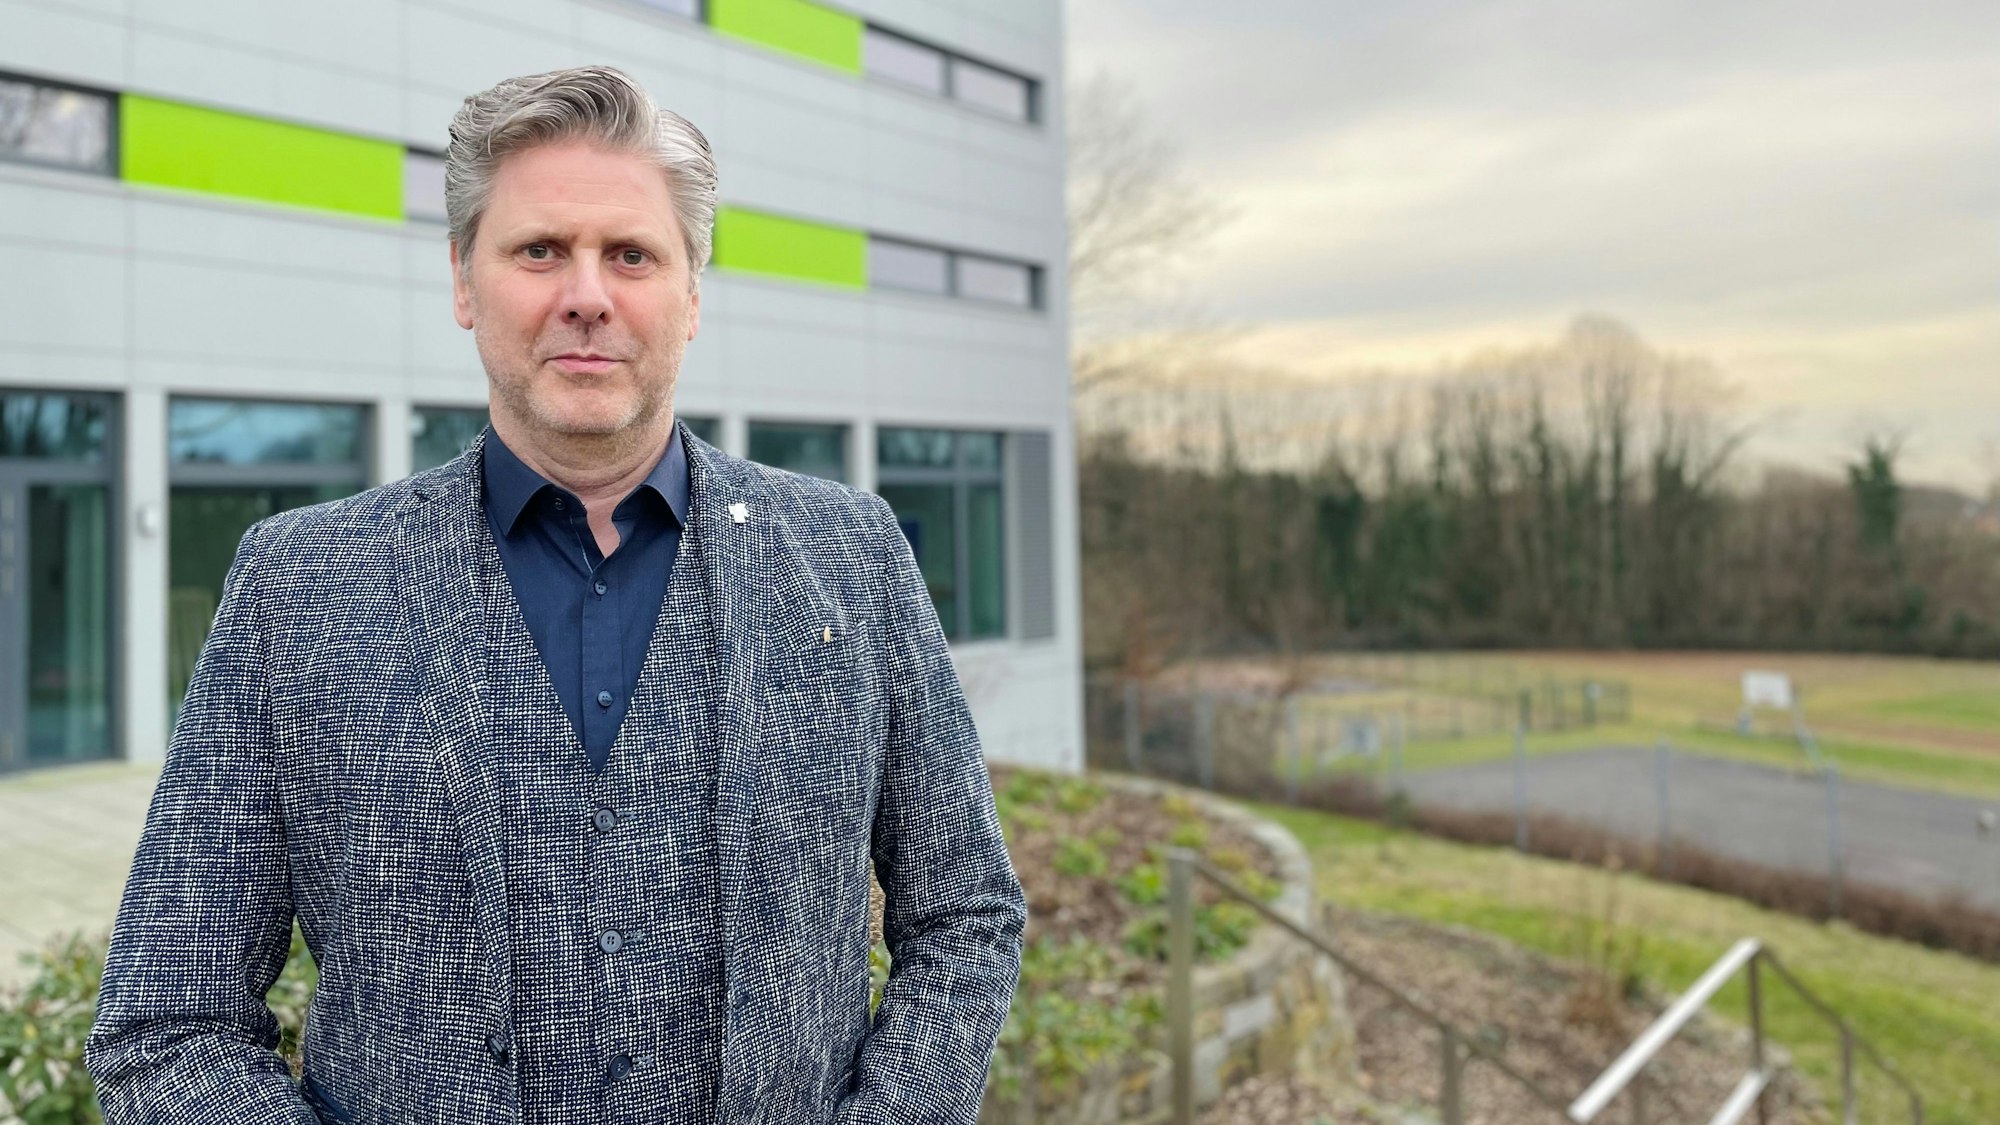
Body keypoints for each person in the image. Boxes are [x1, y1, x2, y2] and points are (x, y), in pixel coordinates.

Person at [84, 65, 1026, 1125]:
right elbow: (168, 1021)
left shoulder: (851, 558)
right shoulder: (296, 587)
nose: (586, 293)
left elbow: (964, 919)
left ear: (693, 293)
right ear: (463, 282)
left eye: (631, 254)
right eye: (539, 250)